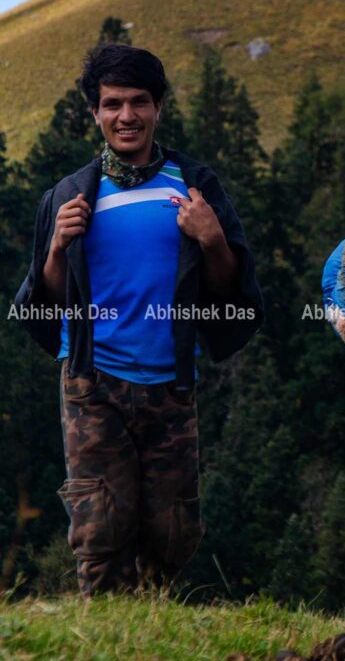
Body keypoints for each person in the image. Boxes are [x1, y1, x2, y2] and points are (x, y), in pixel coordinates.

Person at [14, 44, 263, 596]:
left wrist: (212, 237)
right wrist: (57, 246)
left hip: (171, 383)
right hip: (91, 383)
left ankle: (153, 629)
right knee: (100, 528)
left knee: (171, 531)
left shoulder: (195, 185)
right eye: (112, 104)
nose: (126, 116)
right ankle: (104, 636)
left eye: (138, 102)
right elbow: (43, 303)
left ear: (158, 108)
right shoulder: (70, 196)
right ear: (95, 113)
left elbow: (231, 289)